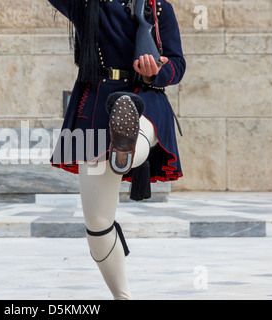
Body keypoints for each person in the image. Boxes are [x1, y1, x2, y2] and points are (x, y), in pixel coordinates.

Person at [49, 0, 186, 299]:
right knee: (97, 224)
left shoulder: (158, 7)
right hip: (96, 104)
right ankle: (122, 297)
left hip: (144, 97)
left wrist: (157, 71)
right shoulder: (84, 5)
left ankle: (125, 146)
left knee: (133, 129)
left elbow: (177, 63)